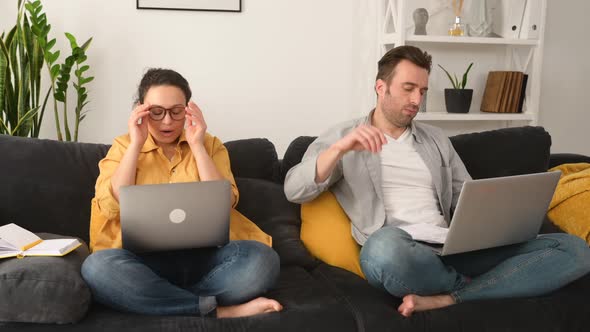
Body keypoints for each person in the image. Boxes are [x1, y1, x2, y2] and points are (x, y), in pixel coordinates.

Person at [283, 45, 590, 317]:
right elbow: (294, 188)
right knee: (382, 249)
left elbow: (467, 196)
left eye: (422, 90)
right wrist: (338, 150)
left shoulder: (436, 139)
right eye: (408, 88)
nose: (417, 99)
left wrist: (498, 224)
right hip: (402, 252)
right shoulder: (344, 136)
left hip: (454, 247)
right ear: (381, 87)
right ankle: (487, 285)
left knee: (575, 250)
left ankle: (454, 296)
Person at [82, 68, 282, 318]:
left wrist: (197, 145)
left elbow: (226, 201)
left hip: (207, 259)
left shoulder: (210, 145)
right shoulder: (124, 146)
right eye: (157, 112)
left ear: (188, 110)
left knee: (263, 260)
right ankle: (217, 310)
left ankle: (164, 300)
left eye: (176, 111)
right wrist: (136, 143)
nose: (167, 121)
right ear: (141, 111)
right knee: (97, 269)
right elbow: (112, 205)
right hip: (144, 262)